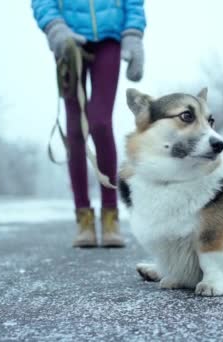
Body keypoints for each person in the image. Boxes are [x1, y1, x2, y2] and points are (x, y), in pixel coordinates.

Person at [31, 0, 146, 248]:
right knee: (74, 130)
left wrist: (134, 34)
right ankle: (83, 218)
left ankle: (110, 217)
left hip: (110, 38)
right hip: (68, 39)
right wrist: (54, 27)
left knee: (100, 123)